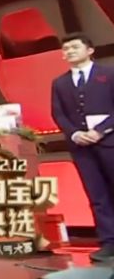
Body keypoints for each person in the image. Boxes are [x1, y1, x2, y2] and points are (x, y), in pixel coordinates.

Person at [51, 33, 114, 263]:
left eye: (74, 47)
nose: (69, 51)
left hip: (110, 140)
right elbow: (58, 113)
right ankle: (109, 241)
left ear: (90, 50)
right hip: (81, 146)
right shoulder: (60, 83)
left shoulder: (109, 74)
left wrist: (100, 130)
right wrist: (75, 133)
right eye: (66, 49)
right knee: (97, 195)